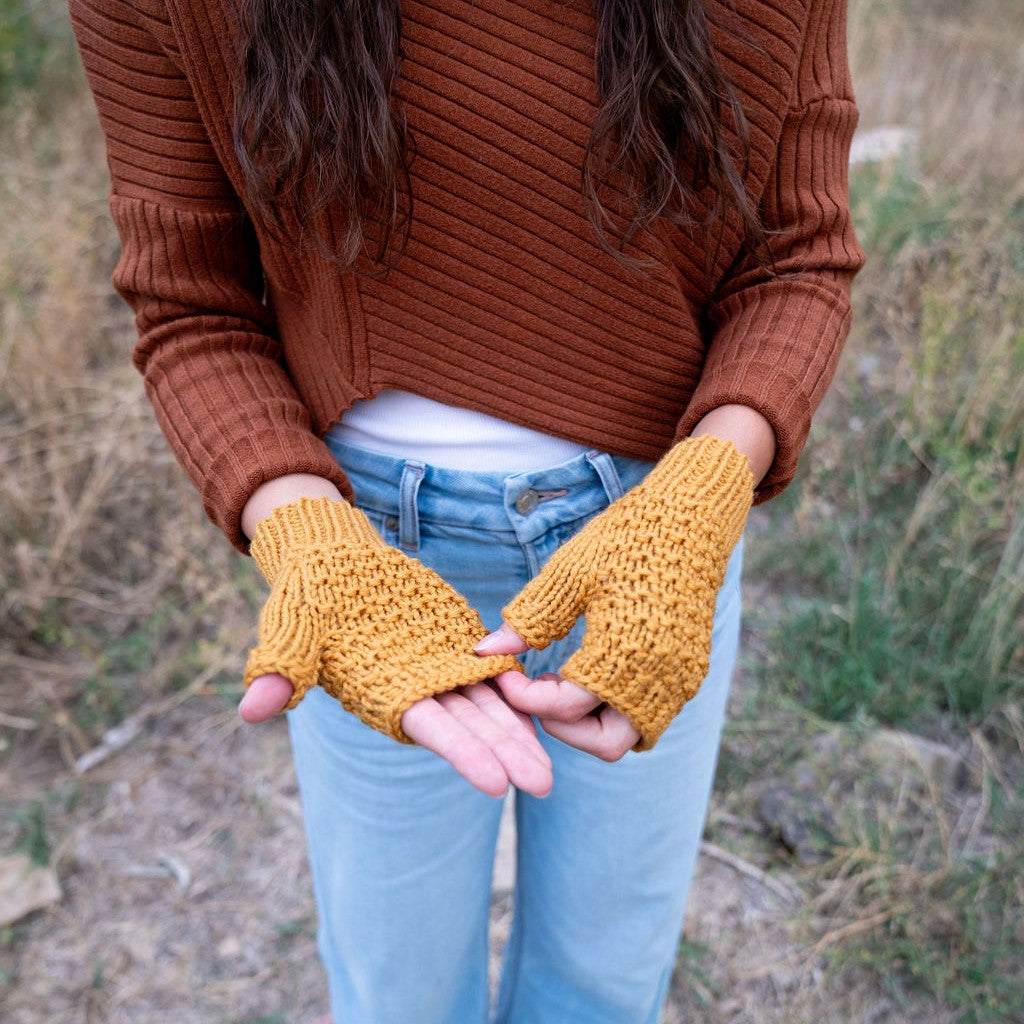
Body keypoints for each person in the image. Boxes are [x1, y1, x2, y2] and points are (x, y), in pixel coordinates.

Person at [69, 0, 864, 1020]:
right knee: (395, 990)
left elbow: (796, 255)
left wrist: (702, 496)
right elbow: (191, 301)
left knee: (604, 981)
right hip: (365, 558)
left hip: (657, 536)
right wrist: (308, 536)